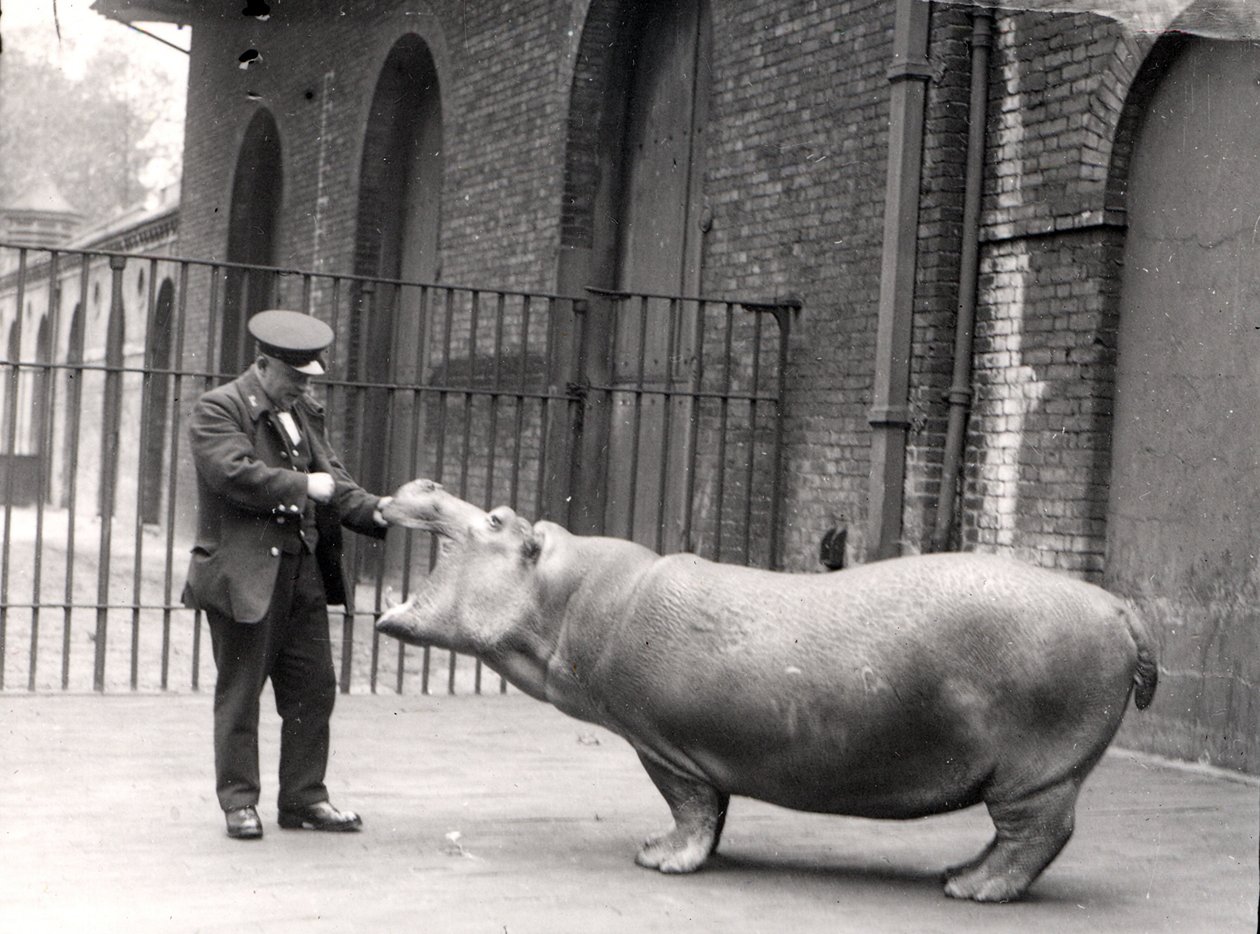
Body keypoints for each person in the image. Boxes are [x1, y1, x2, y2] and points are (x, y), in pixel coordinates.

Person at [182, 309, 392, 840]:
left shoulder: (304, 412)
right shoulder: (218, 408)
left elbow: (335, 481)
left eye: (309, 377)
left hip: (301, 576)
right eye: (294, 376)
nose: (302, 387)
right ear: (262, 364)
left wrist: (378, 509)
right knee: (241, 692)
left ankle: (303, 799)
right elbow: (233, 474)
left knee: (313, 689)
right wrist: (303, 488)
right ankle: (239, 803)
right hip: (245, 575)